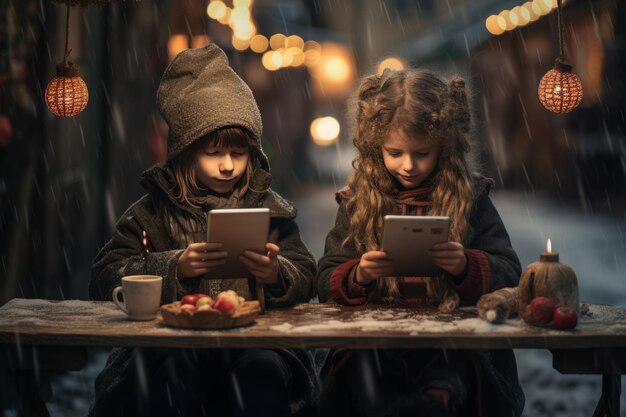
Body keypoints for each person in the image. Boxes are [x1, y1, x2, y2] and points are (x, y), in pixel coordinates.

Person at [89, 44, 318, 417]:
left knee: (260, 377)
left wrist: (277, 274)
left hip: (258, 344)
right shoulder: (151, 214)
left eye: (239, 154)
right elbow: (103, 278)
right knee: (178, 376)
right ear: (186, 152)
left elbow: (307, 275)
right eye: (213, 153)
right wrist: (173, 267)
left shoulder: (270, 211)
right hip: (171, 346)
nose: (228, 166)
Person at [316, 68, 525, 417]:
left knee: (452, 361)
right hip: (375, 340)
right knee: (363, 371)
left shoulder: (470, 197)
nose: (408, 166)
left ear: (444, 148)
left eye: (422, 153)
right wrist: (359, 275)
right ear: (375, 147)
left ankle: (434, 404)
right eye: (394, 153)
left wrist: (465, 267)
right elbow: (324, 279)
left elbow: (510, 273)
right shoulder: (357, 202)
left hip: (453, 339)